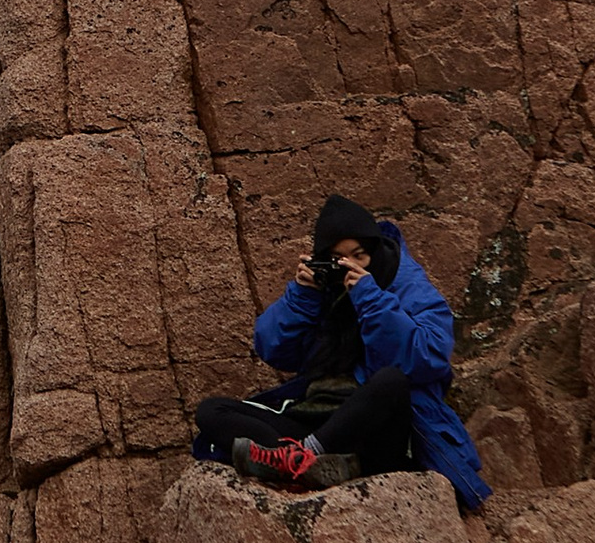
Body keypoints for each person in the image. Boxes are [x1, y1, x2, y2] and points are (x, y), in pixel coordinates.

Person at [192, 195, 489, 507]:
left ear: (374, 251)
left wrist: (370, 299)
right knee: (212, 411)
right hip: (319, 420)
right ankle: (296, 460)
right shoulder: (323, 291)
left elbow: (428, 358)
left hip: (377, 432)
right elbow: (271, 348)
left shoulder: (408, 285)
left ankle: (304, 458)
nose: (350, 265)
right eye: (338, 259)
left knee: (391, 381)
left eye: (359, 255)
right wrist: (301, 298)